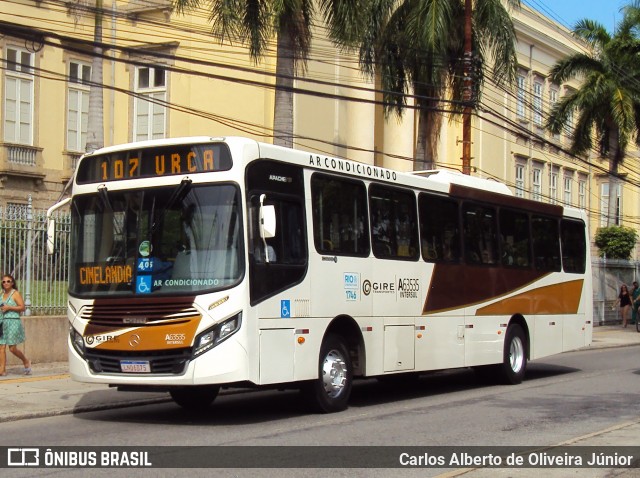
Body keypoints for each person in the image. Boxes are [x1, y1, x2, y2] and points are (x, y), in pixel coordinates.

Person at [0, 274, 31, 375]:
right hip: (2, 322)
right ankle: (2, 370)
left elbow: (22, 307)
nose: (6, 283)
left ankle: (25, 360)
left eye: (8, 281)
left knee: (12, 348)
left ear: (12, 283)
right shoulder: (1, 294)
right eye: (4, 281)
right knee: (1, 347)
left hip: (13, 321)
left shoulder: (15, 294)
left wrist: (9, 307)